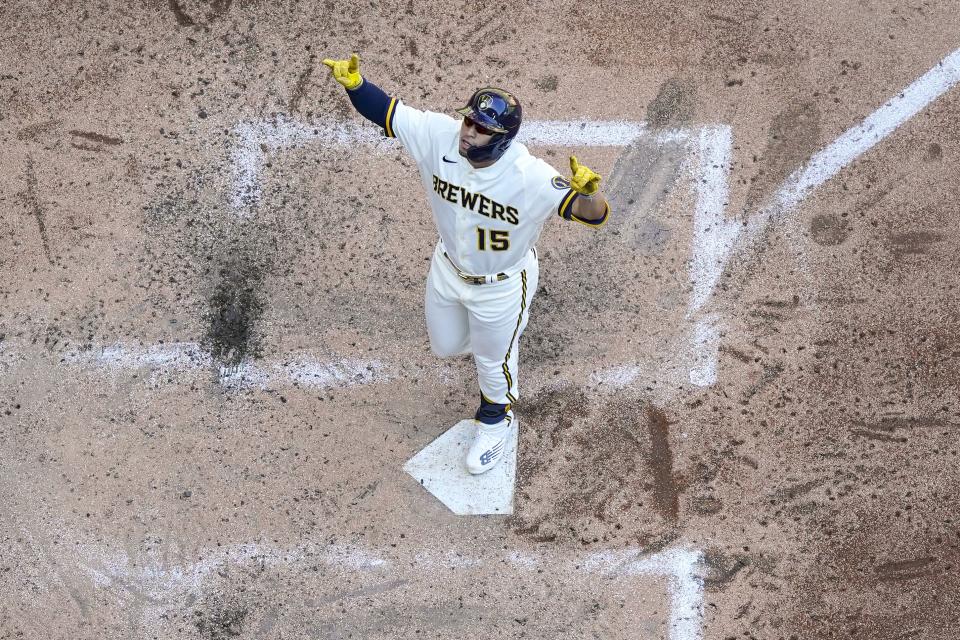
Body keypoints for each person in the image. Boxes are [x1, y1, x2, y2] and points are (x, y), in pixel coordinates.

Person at [322, 54, 610, 475]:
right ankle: (500, 338)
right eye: (469, 122)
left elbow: (594, 215)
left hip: (501, 284)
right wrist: (355, 84)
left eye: (481, 129)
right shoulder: (439, 136)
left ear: (501, 138)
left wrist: (587, 192)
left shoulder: (529, 176)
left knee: (492, 360)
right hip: (447, 269)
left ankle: (496, 417)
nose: (468, 131)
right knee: (445, 346)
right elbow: (385, 111)